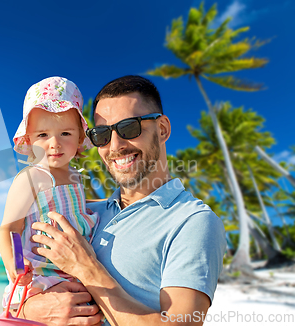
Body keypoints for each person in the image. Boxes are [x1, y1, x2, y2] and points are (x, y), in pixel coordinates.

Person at [21, 75, 227, 326]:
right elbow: (24, 282)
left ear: (162, 129)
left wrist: (86, 268)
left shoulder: (193, 222)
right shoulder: (83, 212)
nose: (115, 145)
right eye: (102, 135)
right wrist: (29, 310)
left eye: (129, 127)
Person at [0, 76, 99, 309]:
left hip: (78, 270)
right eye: (43, 135)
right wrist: (15, 264)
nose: (55, 144)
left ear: (80, 137)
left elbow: (77, 209)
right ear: (29, 139)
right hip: (43, 276)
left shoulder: (76, 176)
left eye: (65, 133)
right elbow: (9, 227)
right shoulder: (31, 178)